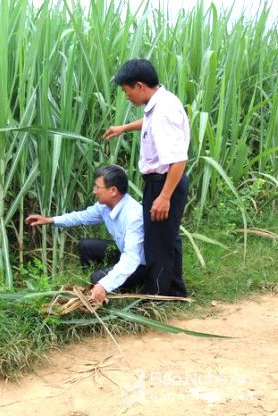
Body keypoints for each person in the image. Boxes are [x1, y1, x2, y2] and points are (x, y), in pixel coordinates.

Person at [101, 58, 188, 297]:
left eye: (126, 90)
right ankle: (175, 291)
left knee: (157, 243)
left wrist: (164, 197)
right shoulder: (159, 104)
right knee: (167, 239)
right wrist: (123, 128)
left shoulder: (163, 111)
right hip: (162, 182)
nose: (126, 96)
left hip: (165, 182)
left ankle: (156, 297)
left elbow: (179, 159)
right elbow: (149, 123)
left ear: (139, 85)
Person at [25, 165, 148, 303]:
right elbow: (81, 217)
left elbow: (131, 258)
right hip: (123, 252)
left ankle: (118, 290)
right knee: (86, 246)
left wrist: (104, 285)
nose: (94, 191)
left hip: (139, 266)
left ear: (113, 190)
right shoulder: (104, 206)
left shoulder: (133, 215)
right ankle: (99, 278)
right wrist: (50, 220)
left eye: (97, 187)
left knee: (98, 279)